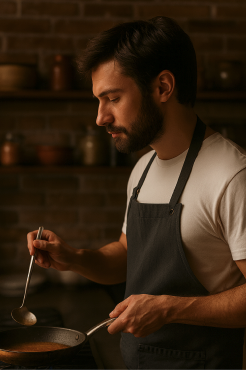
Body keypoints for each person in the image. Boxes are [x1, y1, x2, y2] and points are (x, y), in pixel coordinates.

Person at [27, 16, 246, 369]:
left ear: (162, 87)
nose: (100, 117)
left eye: (112, 98)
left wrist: (169, 308)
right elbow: (129, 256)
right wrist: (75, 258)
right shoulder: (143, 169)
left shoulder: (232, 175)